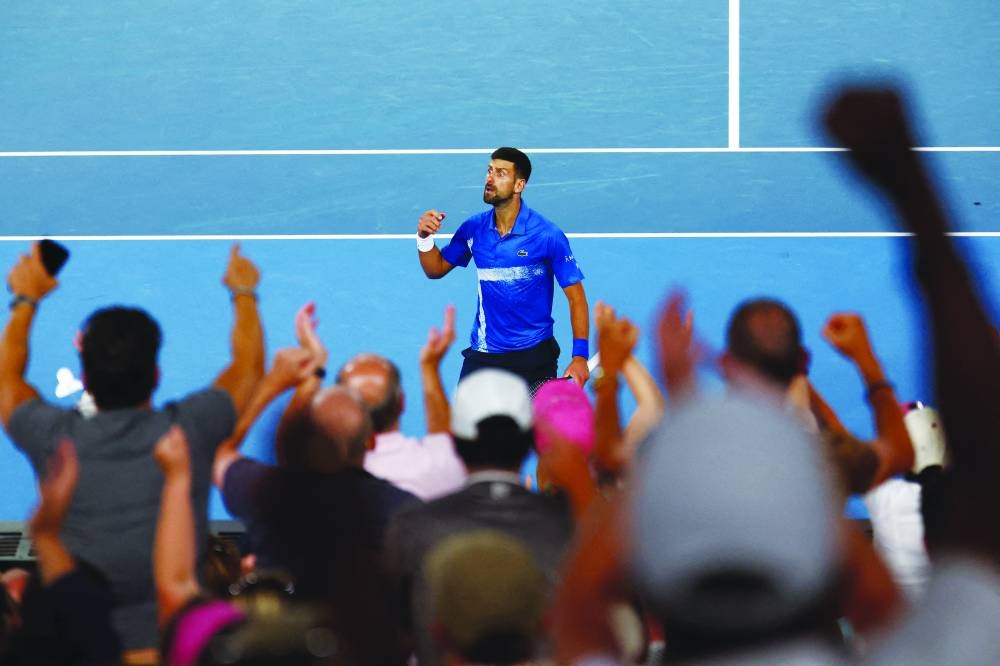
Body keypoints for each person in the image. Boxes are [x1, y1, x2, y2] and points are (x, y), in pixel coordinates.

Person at [0, 243, 264, 655]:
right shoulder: (186, 434)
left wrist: (25, 300)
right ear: (157, 374)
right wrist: (243, 292)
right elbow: (247, 369)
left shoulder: (54, 441)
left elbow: (7, 384)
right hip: (174, 650)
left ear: (83, 377)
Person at [383, 368, 575, 666]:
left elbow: (394, 633)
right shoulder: (572, 526)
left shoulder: (411, 528)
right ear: (530, 443)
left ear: (455, 443)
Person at [416, 147, 591, 389]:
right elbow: (435, 268)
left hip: (534, 355)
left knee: (533, 428)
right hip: (484, 354)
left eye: (500, 173)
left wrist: (580, 356)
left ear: (519, 185)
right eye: (489, 171)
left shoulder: (547, 235)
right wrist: (424, 238)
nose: (490, 178)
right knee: (465, 427)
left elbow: (577, 299)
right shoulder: (473, 229)